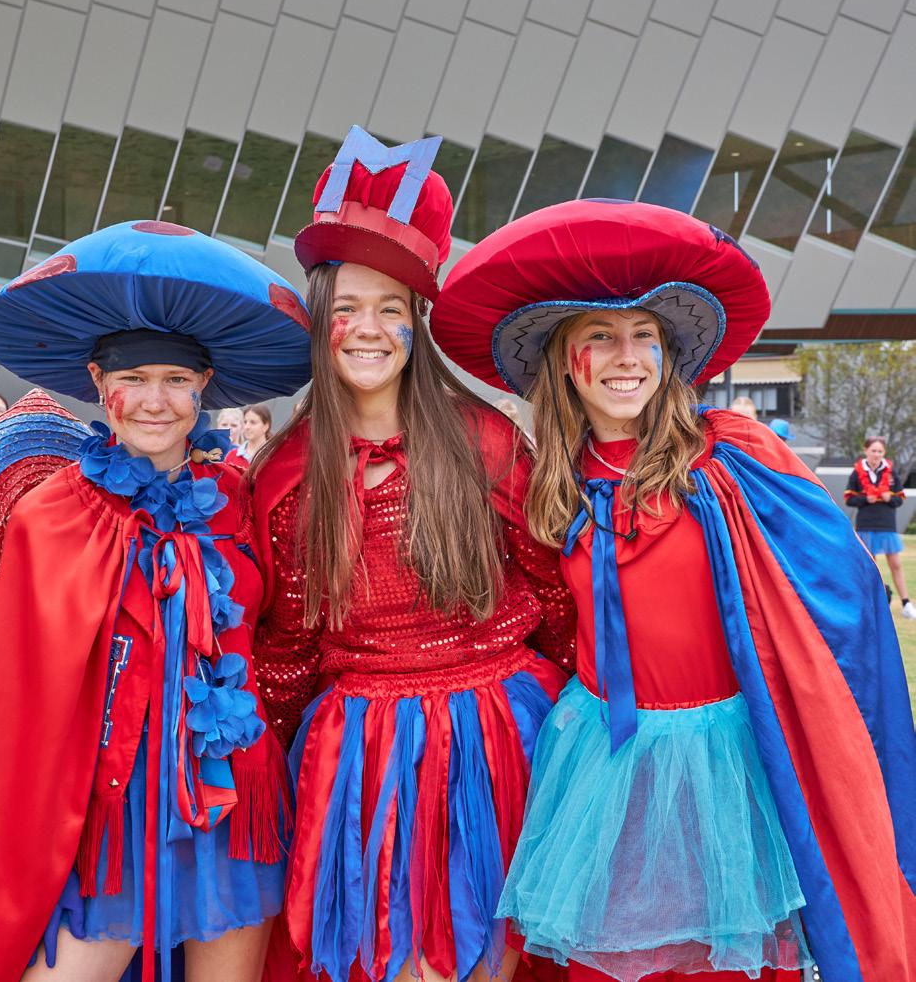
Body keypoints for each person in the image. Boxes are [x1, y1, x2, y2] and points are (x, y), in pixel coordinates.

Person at [431, 199, 916, 982]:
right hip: (603, 761)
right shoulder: (550, 482)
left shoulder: (729, 457)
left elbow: (842, 590)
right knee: (604, 958)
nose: (625, 356)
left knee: (727, 962)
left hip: (725, 763)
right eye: (599, 336)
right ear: (563, 360)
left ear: (669, 355)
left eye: (644, 336)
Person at [0, 219, 313, 982]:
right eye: (135, 378)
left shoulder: (243, 498)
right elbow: (23, 701)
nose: (155, 401)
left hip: (235, 801)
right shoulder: (53, 514)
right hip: (115, 809)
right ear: (100, 383)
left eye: (177, 380)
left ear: (204, 386)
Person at [251, 127, 575, 982]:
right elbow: (284, 652)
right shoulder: (284, 478)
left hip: (500, 737)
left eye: (391, 307)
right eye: (347, 308)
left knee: (496, 960)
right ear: (319, 321)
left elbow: (558, 597)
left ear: (416, 323)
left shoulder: (487, 444)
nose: (369, 329)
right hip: (367, 756)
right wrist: (263, 774)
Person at [846, 435, 915, 618]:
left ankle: (906, 604)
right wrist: (864, 499)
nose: (876, 454)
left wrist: (889, 498)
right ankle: (878, 598)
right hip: (865, 523)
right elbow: (849, 498)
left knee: (895, 564)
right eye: (873, 450)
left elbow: (900, 498)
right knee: (871, 566)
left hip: (886, 523)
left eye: (880, 451)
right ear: (866, 451)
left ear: (884, 453)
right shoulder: (857, 472)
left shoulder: (891, 472)